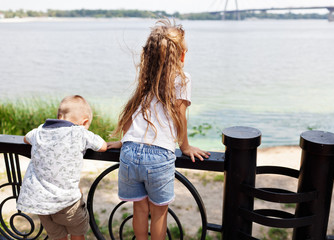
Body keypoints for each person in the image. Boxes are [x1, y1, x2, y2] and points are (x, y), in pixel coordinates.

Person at [107, 19, 210, 240]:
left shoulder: (147, 77)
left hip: (130, 152)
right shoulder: (182, 78)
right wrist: (185, 146)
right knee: (159, 213)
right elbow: (180, 116)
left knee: (140, 209)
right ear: (181, 55)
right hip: (158, 156)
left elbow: (132, 112)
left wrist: (124, 140)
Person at [16, 95, 107, 240]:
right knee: (77, 234)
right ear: (84, 122)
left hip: (40, 202)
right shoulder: (79, 132)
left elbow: (26, 138)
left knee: (58, 237)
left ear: (58, 117)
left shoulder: (40, 131)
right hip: (67, 201)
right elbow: (102, 146)